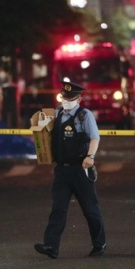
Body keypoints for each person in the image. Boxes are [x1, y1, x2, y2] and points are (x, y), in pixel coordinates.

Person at [34, 81, 106, 259]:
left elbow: (95, 137)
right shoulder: (57, 113)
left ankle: (99, 243)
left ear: (79, 99)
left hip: (81, 169)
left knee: (90, 210)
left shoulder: (84, 115)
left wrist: (90, 157)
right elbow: (44, 135)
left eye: (70, 98)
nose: (66, 100)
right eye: (64, 97)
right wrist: (40, 125)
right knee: (58, 208)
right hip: (62, 171)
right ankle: (51, 246)